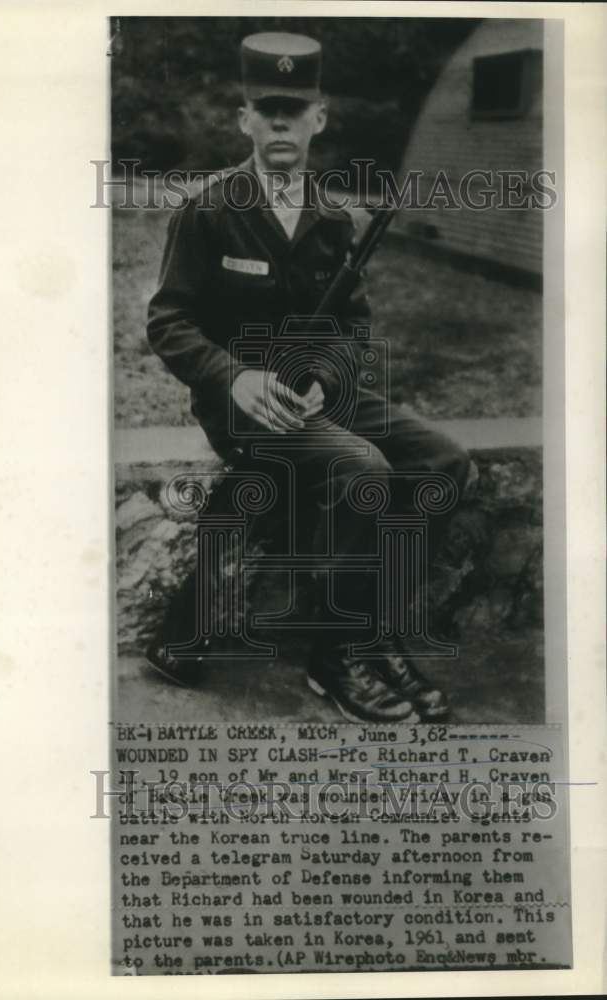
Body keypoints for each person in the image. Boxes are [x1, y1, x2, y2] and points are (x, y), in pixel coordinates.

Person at [145, 31, 473, 723]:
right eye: (268, 109)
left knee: (444, 461)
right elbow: (170, 322)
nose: (281, 123)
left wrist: (326, 374)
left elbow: (352, 328)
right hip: (243, 407)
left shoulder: (332, 218)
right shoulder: (207, 211)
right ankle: (334, 655)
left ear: (319, 118)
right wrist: (232, 378)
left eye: (296, 111)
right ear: (245, 119)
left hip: (316, 396)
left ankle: (371, 633)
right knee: (364, 468)